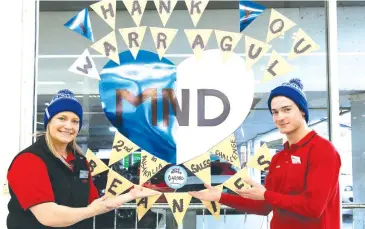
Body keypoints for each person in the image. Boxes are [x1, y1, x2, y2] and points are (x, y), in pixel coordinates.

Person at [190, 79, 341, 229]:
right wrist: (220, 197)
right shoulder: (279, 158)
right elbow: (264, 207)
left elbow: (313, 208)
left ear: (302, 110)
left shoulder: (322, 150)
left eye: (287, 109)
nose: (280, 117)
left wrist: (266, 195)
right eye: (275, 112)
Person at [7, 89, 159, 229]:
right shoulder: (29, 161)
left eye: (75, 121)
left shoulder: (79, 160)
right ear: (49, 122)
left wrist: (131, 195)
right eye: (62, 118)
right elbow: (49, 216)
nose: (68, 126)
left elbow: (95, 204)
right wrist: (90, 211)